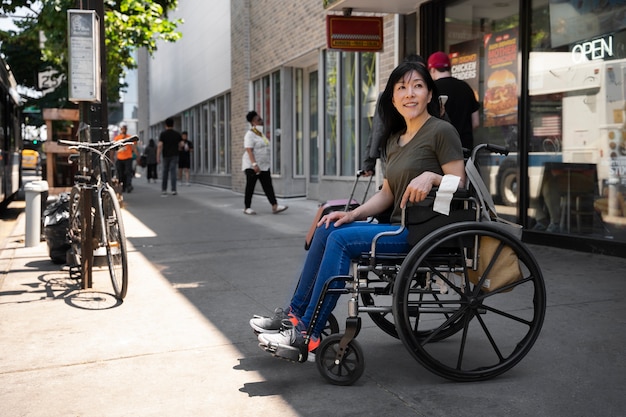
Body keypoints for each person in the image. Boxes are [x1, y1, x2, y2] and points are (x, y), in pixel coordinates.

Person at [251, 60, 466, 357]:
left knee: (340, 240)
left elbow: (460, 183)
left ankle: (307, 334)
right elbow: (388, 193)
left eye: (418, 86)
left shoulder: (441, 131)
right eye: (401, 87)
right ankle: (295, 315)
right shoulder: (394, 139)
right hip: (398, 225)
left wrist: (433, 177)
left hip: (424, 231)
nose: (410, 94)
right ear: (392, 98)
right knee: (330, 225)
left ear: (430, 94)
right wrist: (352, 214)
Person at [428, 51, 480, 152]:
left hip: (441, 149)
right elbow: (476, 122)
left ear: (433, 70)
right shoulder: (466, 88)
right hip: (465, 148)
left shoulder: (431, 90)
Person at [242, 111, 288, 215]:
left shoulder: (261, 134)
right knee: (250, 186)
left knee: (268, 186)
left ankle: (275, 206)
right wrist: (254, 164)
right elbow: (249, 150)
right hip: (252, 166)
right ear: (253, 122)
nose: (261, 121)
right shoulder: (250, 134)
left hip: (264, 165)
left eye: (261, 119)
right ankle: (247, 207)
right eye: (259, 120)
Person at [157, 117, 182, 196]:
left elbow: (160, 145)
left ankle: (164, 189)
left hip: (165, 155)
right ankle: (173, 190)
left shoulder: (163, 134)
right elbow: (181, 144)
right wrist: (178, 148)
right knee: (173, 172)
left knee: (165, 172)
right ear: (173, 125)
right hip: (174, 155)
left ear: (166, 125)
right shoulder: (177, 134)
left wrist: (157, 156)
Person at [114, 124, 139, 193]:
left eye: (125, 128)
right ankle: (123, 186)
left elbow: (133, 147)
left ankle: (128, 186)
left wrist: (137, 155)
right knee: (121, 173)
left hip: (128, 158)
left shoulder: (129, 137)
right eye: (123, 128)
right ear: (121, 129)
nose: (124, 130)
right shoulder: (117, 138)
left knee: (128, 172)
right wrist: (112, 157)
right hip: (120, 158)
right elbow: (114, 149)